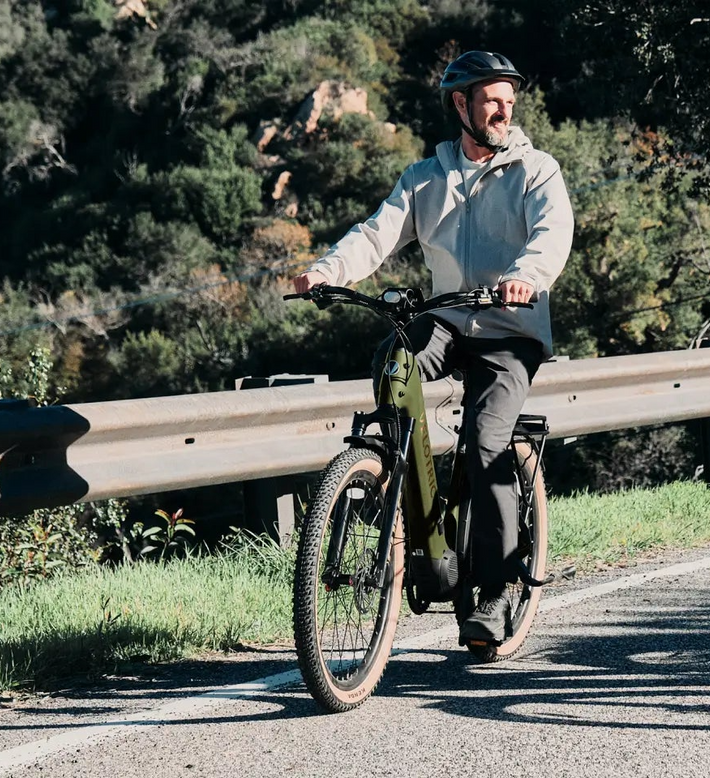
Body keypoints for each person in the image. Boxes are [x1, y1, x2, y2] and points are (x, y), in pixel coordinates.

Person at [292, 51, 572, 644]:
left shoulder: (536, 170)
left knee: (486, 441)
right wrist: (325, 272)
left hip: (510, 328)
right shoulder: (426, 177)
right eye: (492, 101)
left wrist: (525, 277)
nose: (504, 111)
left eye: (509, 101)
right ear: (461, 104)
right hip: (446, 320)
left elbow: (552, 235)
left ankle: (494, 591)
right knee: (392, 362)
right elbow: (376, 234)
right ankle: (403, 490)